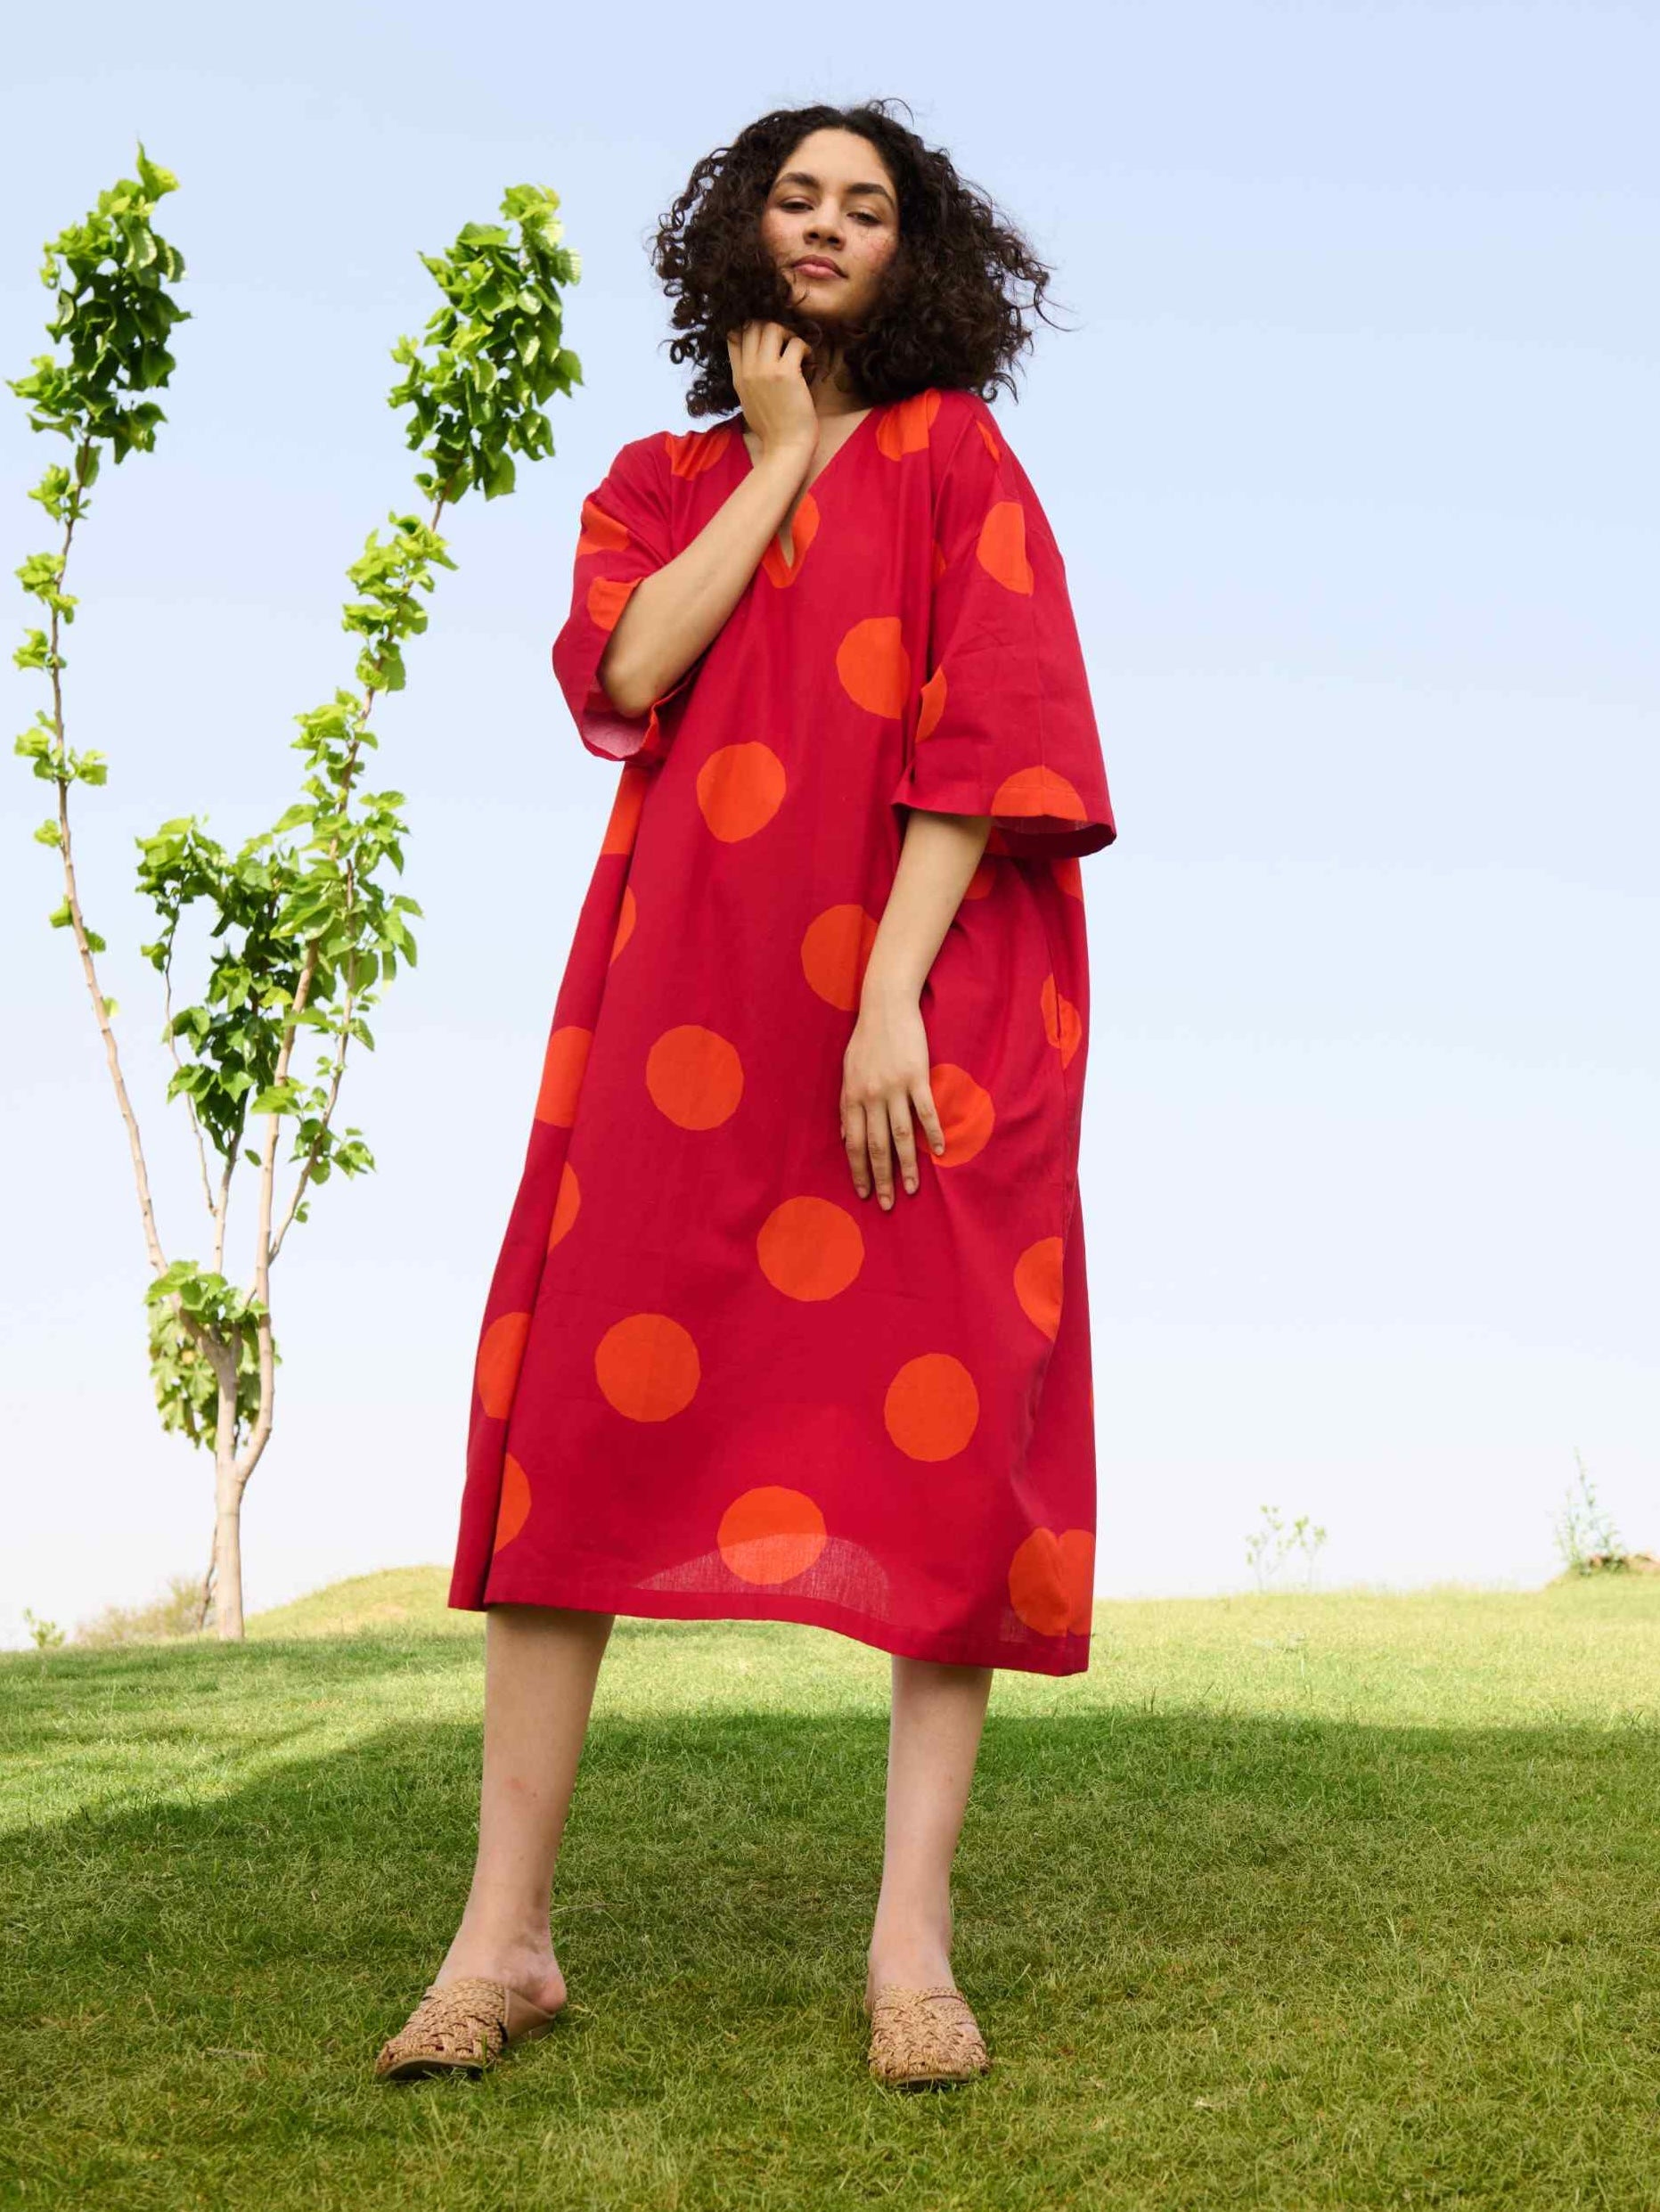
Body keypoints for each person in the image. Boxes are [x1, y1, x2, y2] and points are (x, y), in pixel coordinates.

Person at [376, 97, 1116, 2091]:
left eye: (867, 206)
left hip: (918, 1010)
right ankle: (503, 1936)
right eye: (797, 197)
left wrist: (887, 1000)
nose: (827, 226)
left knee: (945, 1448)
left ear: (914, 252)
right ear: (742, 230)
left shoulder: (960, 456)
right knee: (574, 1433)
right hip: (687, 1000)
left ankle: (909, 1944)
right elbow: (627, 667)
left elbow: (997, 734)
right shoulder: (662, 475)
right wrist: (779, 451)